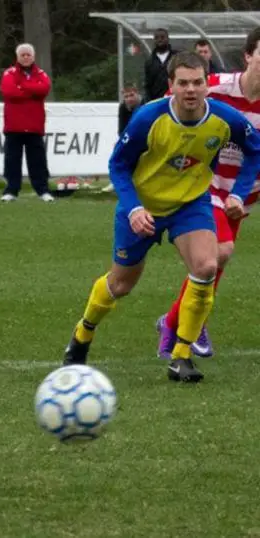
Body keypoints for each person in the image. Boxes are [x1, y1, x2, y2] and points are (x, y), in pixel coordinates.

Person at [62, 51, 260, 383]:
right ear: (171, 85)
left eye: (198, 82)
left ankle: (181, 356)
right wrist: (135, 208)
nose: (191, 90)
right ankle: (83, 333)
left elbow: (255, 149)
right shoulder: (148, 118)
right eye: (183, 83)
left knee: (208, 265)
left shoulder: (224, 119)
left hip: (191, 205)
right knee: (121, 284)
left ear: (206, 86)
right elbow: (118, 166)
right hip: (143, 207)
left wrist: (239, 193)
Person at [157, 28, 260, 360]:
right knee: (220, 252)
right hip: (206, 185)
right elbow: (167, 109)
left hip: (244, 193)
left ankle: (176, 320)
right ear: (248, 56)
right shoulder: (213, 87)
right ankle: (188, 321)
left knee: (214, 264)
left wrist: (243, 196)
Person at [0, 43, 54, 203]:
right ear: (17, 57)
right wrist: (31, 90)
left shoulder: (41, 74)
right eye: (22, 55)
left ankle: (42, 190)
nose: (25, 57)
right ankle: (11, 190)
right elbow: (9, 92)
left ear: (33, 56)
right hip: (13, 125)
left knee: (37, 159)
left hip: (34, 125)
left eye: (28, 54)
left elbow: (44, 89)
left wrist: (22, 86)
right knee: (12, 159)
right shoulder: (9, 73)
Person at [103, 84, 143, 194]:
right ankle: (117, 181)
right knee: (117, 147)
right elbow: (121, 129)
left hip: (144, 137)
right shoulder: (122, 107)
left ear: (137, 94)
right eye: (126, 96)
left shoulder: (144, 105)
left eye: (131, 95)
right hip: (130, 136)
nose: (129, 99)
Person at [144, 28, 178, 102]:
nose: (160, 40)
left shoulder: (176, 57)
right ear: (154, 40)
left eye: (162, 37)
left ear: (168, 39)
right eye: (156, 38)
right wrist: (149, 101)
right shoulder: (149, 62)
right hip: (156, 101)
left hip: (174, 100)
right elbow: (148, 85)